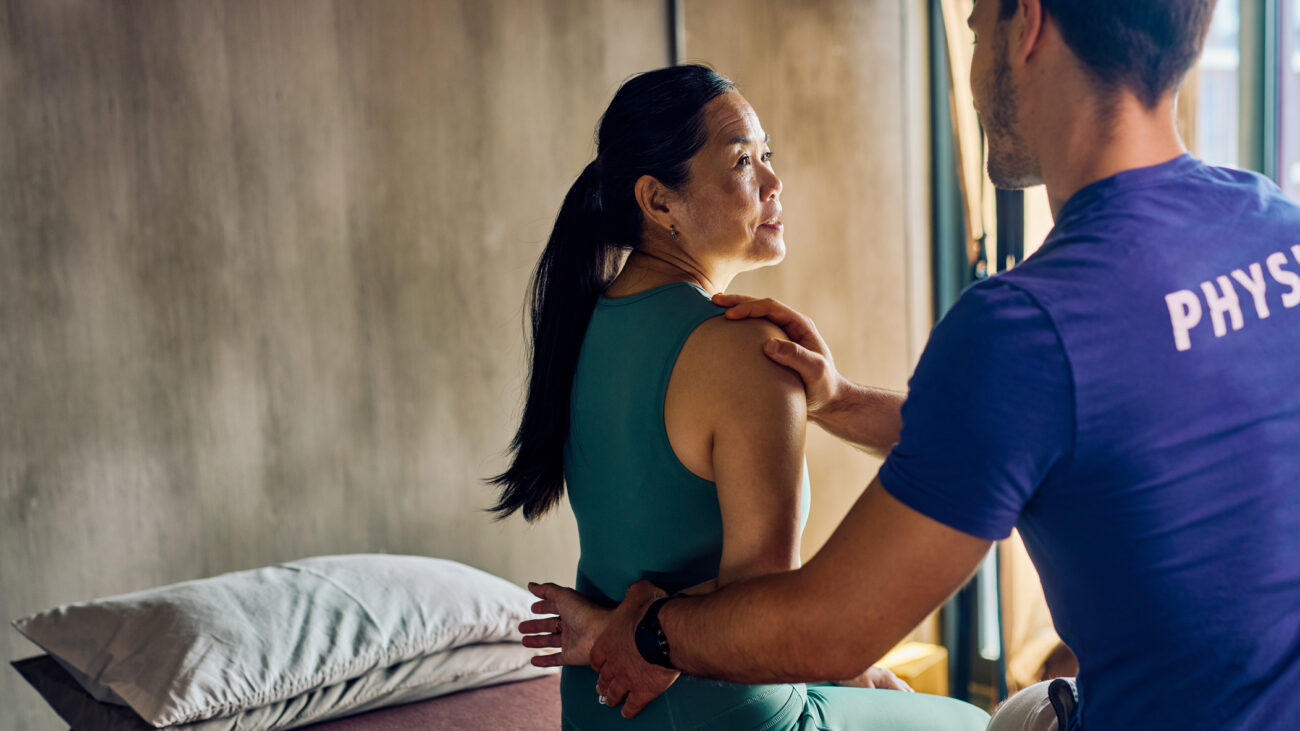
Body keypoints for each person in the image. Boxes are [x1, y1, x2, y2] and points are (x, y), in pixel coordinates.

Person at [523, 2, 1300, 729]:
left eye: (970, 26)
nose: (968, 63)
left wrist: (640, 631)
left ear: (1024, 23)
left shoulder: (1024, 327)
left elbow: (823, 630)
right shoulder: (1277, 226)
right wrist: (842, 398)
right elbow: (1058, 419)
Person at [492, 64, 991, 730]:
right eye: (742, 162)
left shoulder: (583, 321)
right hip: (731, 711)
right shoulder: (747, 349)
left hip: (596, 708)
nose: (775, 182)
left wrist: (616, 626)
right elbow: (768, 617)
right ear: (658, 200)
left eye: (767, 155)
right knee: (978, 721)